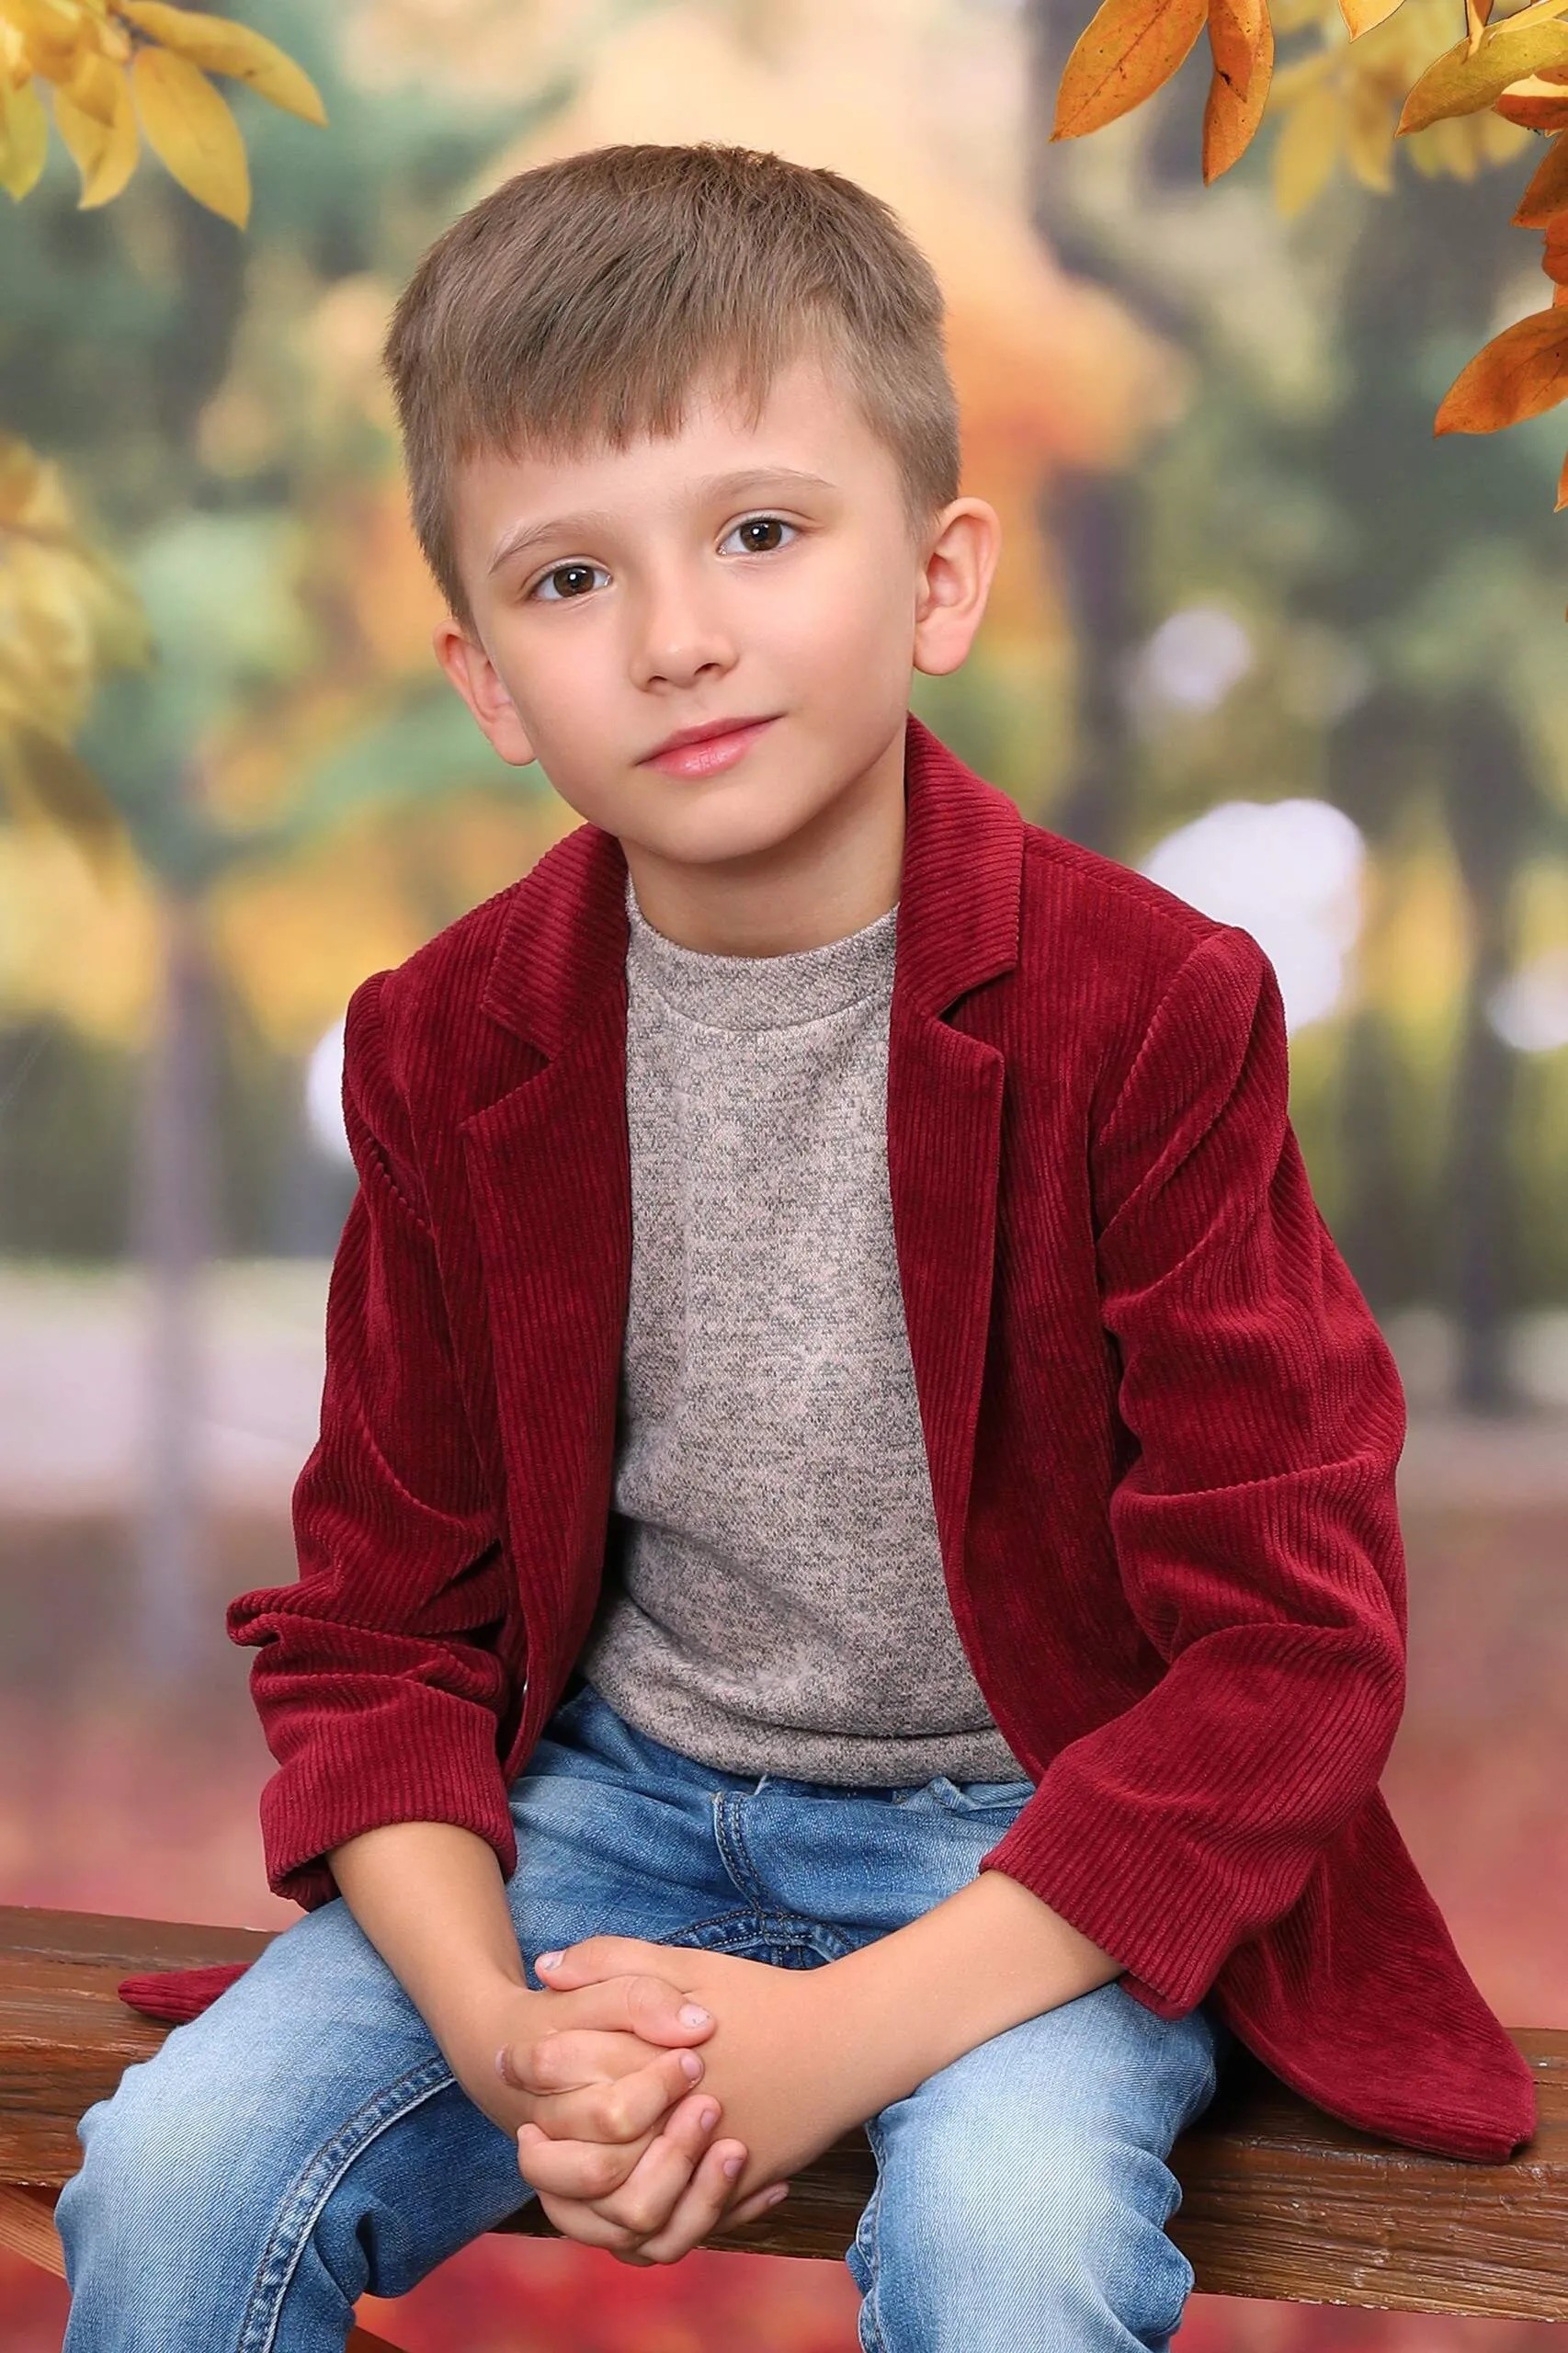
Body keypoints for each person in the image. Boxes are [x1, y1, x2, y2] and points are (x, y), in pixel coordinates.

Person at [56, 140, 1534, 2353]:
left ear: (937, 577)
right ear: (487, 683)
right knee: (174, 2172)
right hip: (605, 1814)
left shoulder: (1146, 1009)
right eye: (571, 577)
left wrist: (836, 2037)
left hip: (1026, 1840)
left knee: (1012, 2247)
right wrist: (498, 2027)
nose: (677, 637)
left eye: (759, 531)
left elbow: (1288, 1656)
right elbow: (379, 1625)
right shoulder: (450, 1040)